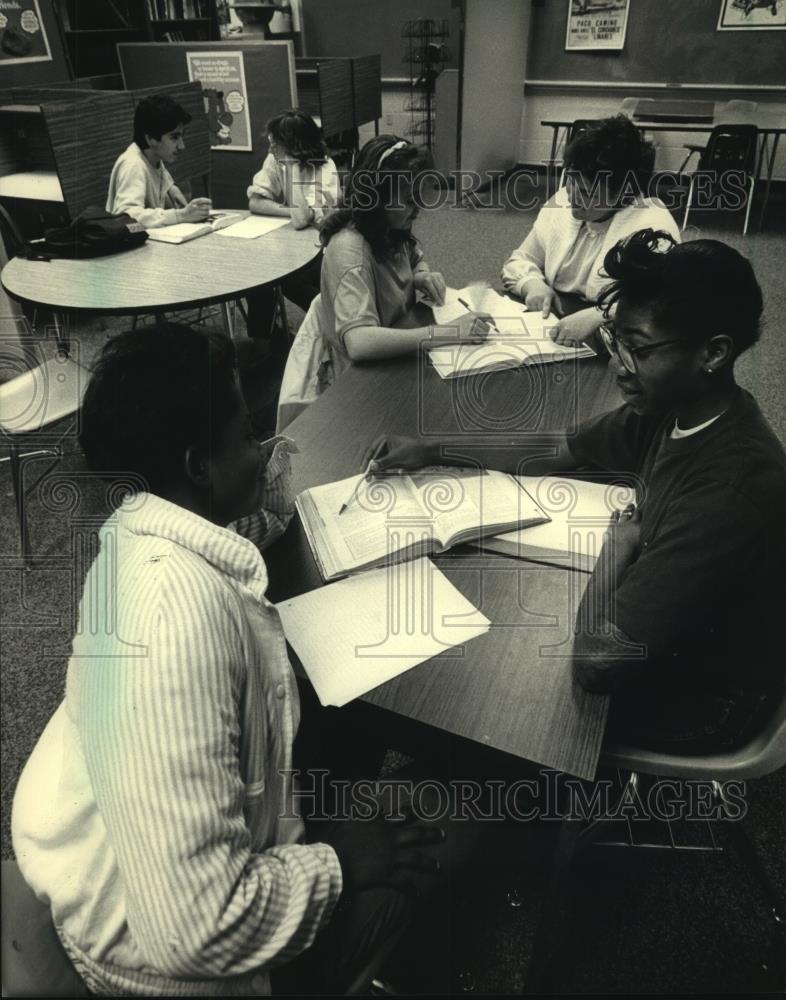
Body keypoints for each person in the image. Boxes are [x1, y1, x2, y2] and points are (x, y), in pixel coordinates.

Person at [11, 324, 458, 996]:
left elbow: (241, 519)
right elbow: (194, 929)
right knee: (425, 854)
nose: (263, 449)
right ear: (197, 465)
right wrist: (338, 860)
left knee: (339, 718)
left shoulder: (145, 526)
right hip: (153, 957)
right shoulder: (174, 622)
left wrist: (263, 484)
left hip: (119, 852)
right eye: (247, 435)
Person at [365, 230, 786, 753]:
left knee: (493, 704)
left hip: (707, 700)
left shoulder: (728, 490)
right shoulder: (678, 407)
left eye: (638, 350)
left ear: (713, 353)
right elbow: (561, 446)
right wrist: (431, 448)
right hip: (670, 631)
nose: (617, 367)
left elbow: (597, 661)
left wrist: (617, 549)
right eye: (617, 342)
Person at [276, 134, 492, 429]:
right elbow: (360, 342)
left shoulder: (391, 228)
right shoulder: (350, 248)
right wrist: (450, 332)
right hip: (361, 383)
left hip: (394, 357)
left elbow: (415, 259)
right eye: (408, 200)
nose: (418, 209)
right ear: (376, 195)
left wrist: (421, 275)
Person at [501, 115, 681, 348]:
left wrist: (600, 314)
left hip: (619, 342)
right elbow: (521, 259)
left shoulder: (653, 229)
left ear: (623, 195)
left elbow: (665, 303)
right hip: (557, 323)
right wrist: (531, 284)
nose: (572, 195)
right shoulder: (563, 203)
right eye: (571, 180)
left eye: (587, 193)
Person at [245, 110, 340, 340]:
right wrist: (291, 210)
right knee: (260, 275)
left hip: (326, 247)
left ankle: (332, 328)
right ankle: (263, 340)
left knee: (289, 280)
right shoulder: (277, 158)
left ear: (294, 146)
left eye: (275, 145)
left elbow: (301, 221)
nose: (270, 150)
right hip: (296, 245)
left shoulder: (325, 168)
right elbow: (255, 202)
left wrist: (293, 168)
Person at [106, 93, 212, 228]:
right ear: (151, 139)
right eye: (174, 137)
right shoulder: (133, 165)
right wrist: (181, 215)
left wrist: (172, 190)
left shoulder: (153, 157)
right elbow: (126, 217)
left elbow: (163, 184)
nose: (182, 146)